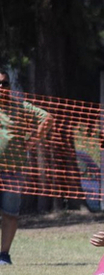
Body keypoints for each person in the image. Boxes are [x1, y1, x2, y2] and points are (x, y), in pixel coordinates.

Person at [0, 70, 53, 265]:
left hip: (13, 170)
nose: (1, 88)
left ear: (10, 86)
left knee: (10, 213)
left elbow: (47, 118)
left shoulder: (19, 107)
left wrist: (32, 141)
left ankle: (4, 255)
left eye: (4, 84)